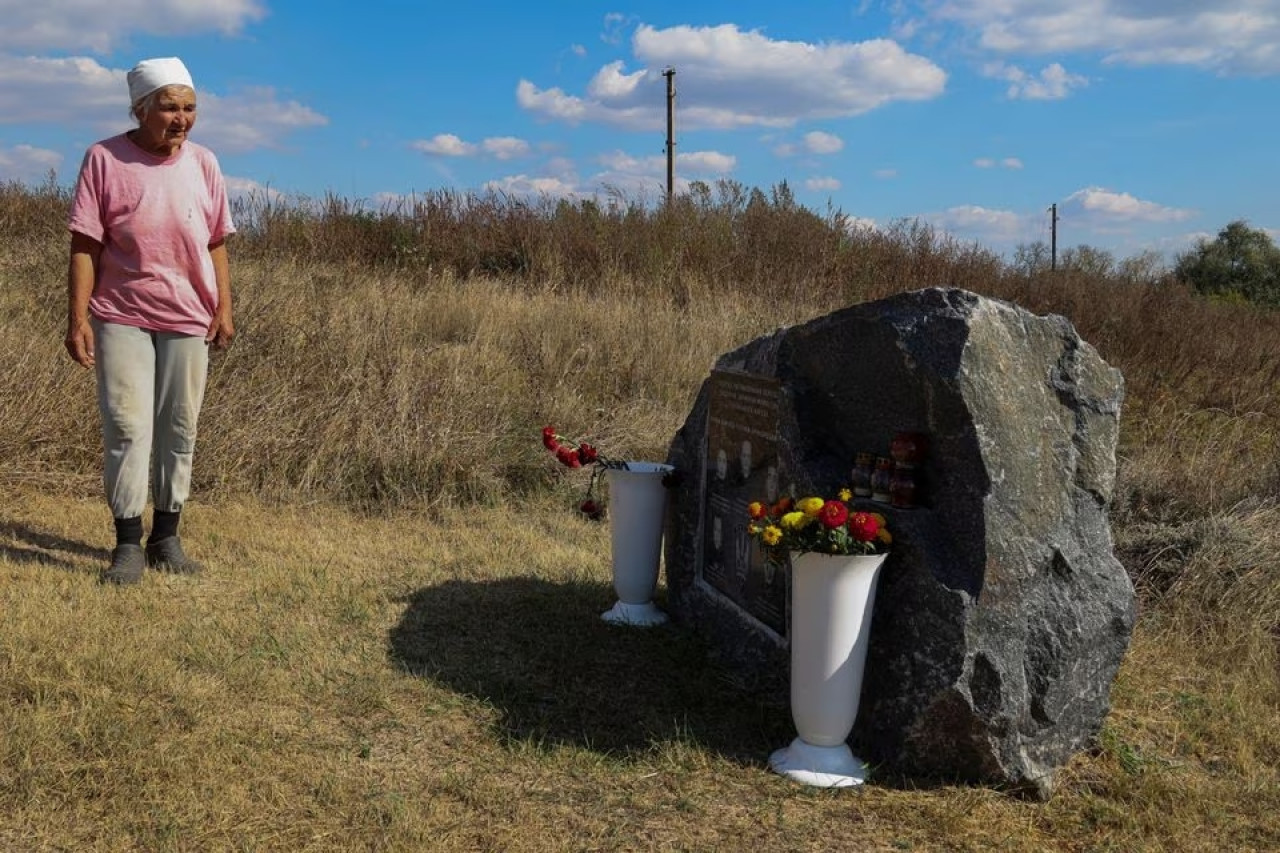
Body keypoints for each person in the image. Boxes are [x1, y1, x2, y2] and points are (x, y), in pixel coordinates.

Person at [65, 57, 235, 584]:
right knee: (127, 425)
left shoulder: (204, 163)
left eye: (189, 108)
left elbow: (216, 242)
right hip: (121, 314)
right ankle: (127, 545)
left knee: (179, 429)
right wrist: (77, 319)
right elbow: (84, 245)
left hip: (189, 314)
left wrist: (224, 307)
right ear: (141, 109)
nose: (181, 119)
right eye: (169, 107)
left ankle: (166, 537)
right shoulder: (104, 158)